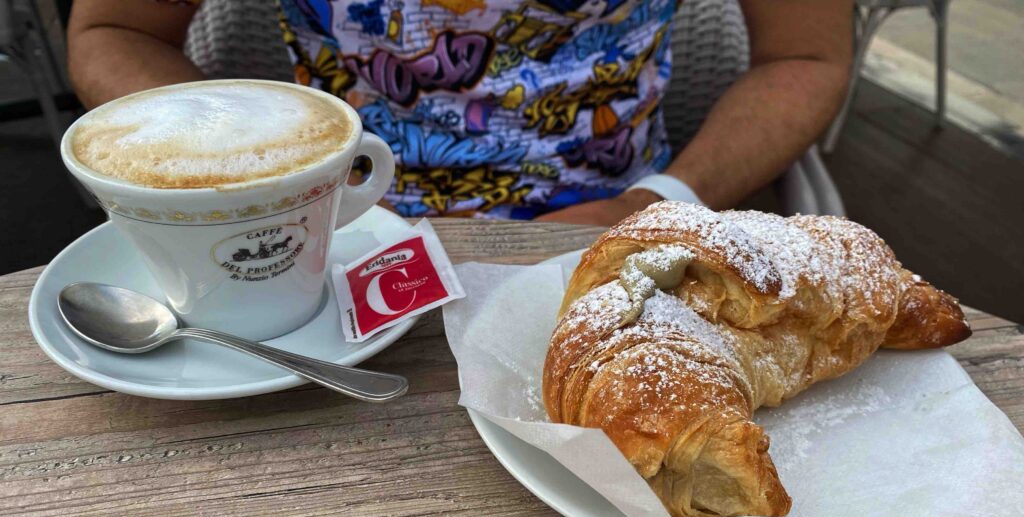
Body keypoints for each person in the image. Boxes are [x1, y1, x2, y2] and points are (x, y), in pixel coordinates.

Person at [66, 0, 852, 223]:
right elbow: (116, 29)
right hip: (330, 236)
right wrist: (246, 175)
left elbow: (806, 55)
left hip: (616, 228)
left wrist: (659, 204)